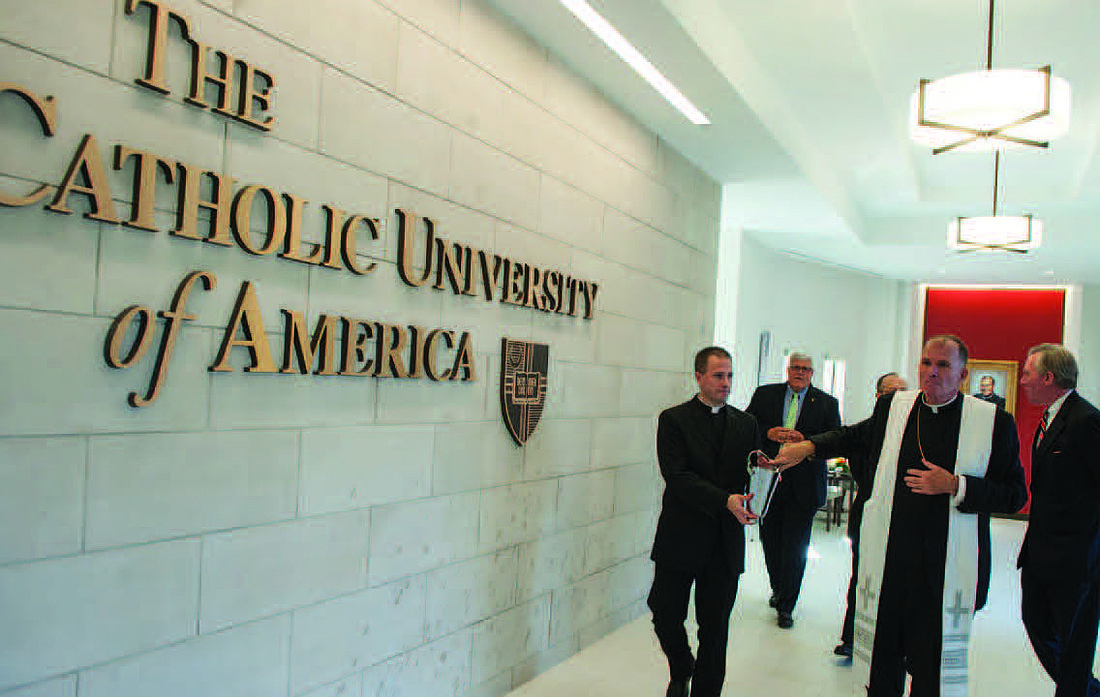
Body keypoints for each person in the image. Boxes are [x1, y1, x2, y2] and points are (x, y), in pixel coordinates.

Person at [773, 335, 1027, 696]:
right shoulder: (895, 406)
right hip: (892, 563)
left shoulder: (993, 423)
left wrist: (956, 485)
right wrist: (808, 447)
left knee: (930, 670)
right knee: (882, 664)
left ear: (963, 374)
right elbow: (853, 436)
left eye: (943, 365)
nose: (932, 373)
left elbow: (1016, 495)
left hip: (945, 570)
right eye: (926, 363)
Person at [648, 346, 765, 697]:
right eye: (718, 375)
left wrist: (763, 486)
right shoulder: (673, 419)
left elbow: (753, 476)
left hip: (723, 543)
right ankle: (682, 665)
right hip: (680, 536)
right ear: (698, 376)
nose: (726, 383)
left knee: (715, 630)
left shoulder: (747, 424)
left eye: (730, 375)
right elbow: (677, 476)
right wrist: (724, 500)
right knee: (664, 613)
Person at [1017, 343, 1100, 697]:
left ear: (1048, 378)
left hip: (1076, 558)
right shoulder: (1049, 417)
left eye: (1027, 374)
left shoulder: (1086, 420)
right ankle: (1086, 689)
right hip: (1040, 553)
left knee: (1075, 641)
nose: (1022, 381)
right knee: (1035, 623)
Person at [747, 351, 841, 628]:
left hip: (804, 486)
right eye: (795, 368)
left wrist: (807, 440)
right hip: (769, 484)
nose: (800, 373)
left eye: (806, 369)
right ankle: (779, 588)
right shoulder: (765, 395)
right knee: (771, 542)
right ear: (788, 370)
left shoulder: (826, 403)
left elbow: (835, 440)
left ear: (812, 374)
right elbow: (746, 425)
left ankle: (787, 605)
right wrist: (768, 433)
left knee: (796, 546)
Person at [834, 372, 909, 660]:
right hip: (867, 515)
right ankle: (853, 637)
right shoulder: (865, 431)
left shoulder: (916, 433)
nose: (897, 398)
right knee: (862, 578)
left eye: (903, 392)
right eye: (891, 393)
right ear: (878, 397)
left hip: (902, 520)